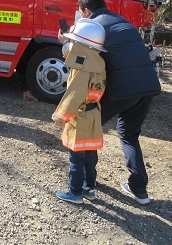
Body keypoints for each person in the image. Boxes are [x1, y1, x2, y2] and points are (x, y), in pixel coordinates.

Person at [63, 0, 161, 205]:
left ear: (86, 11)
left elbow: (82, 60)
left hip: (121, 89)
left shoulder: (93, 28)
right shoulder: (121, 20)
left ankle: (86, 184)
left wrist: (66, 42)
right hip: (147, 86)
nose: (80, 17)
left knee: (87, 129)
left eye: (80, 13)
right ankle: (140, 190)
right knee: (129, 135)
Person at [53, 18, 107, 204]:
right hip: (94, 115)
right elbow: (75, 56)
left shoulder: (82, 70)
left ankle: (75, 192)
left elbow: (74, 96)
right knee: (90, 156)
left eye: (74, 41)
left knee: (76, 158)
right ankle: (88, 188)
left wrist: (59, 117)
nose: (72, 44)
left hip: (80, 115)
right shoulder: (98, 62)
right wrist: (66, 44)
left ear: (82, 44)